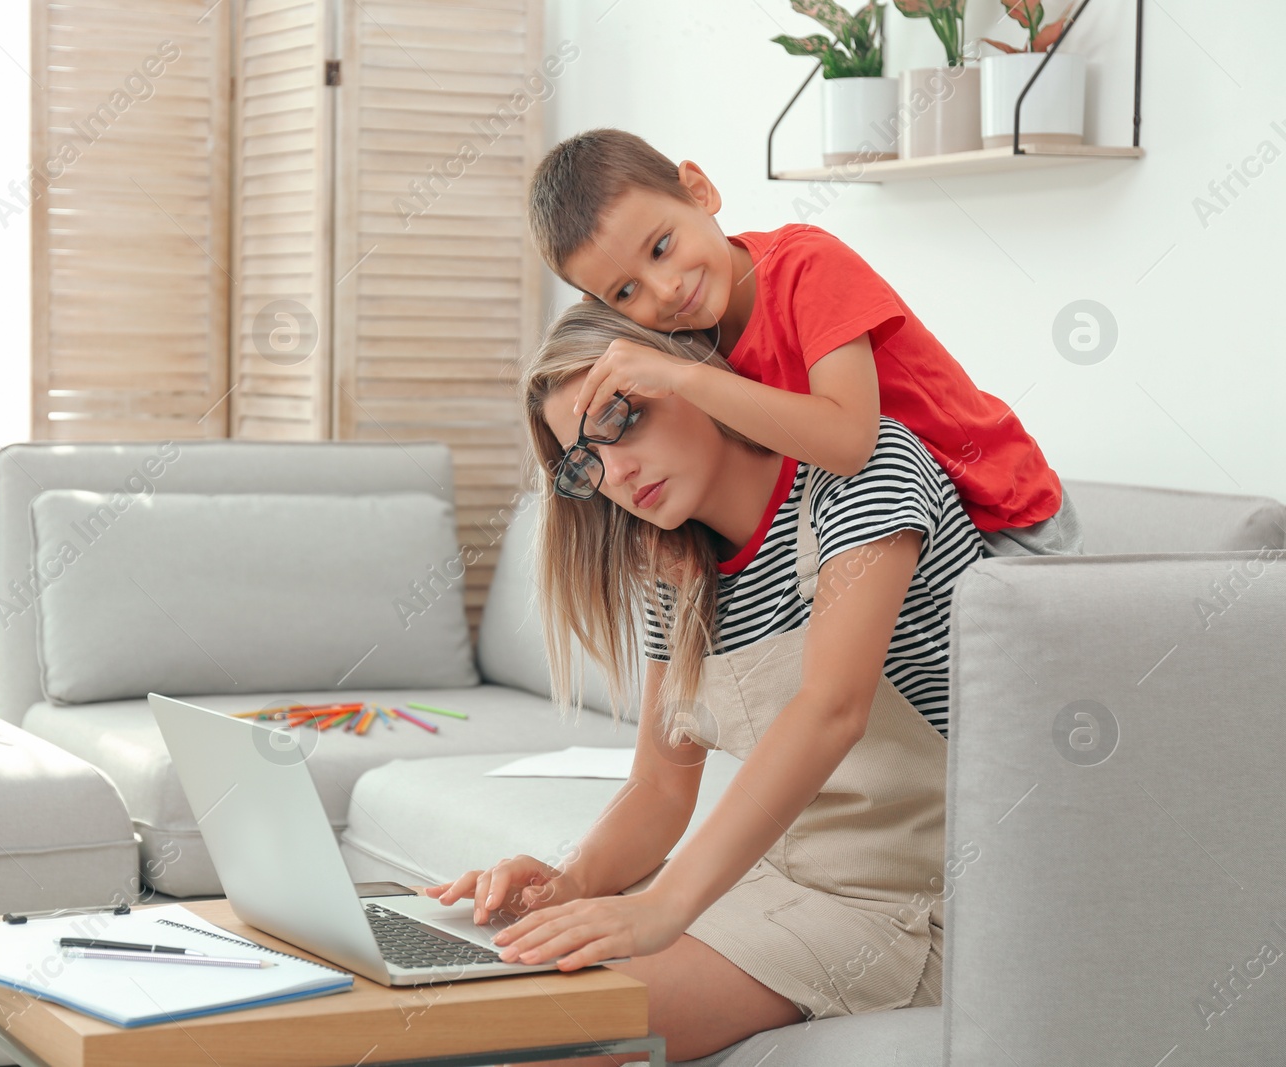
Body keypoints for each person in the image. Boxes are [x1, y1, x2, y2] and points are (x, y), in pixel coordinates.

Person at [421, 301, 988, 1064]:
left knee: (542, 1037)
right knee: (459, 1007)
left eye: (622, 419)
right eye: (586, 461)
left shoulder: (861, 475)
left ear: (692, 375)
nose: (616, 472)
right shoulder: (677, 564)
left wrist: (661, 906)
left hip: (912, 906)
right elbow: (660, 787)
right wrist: (570, 880)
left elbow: (833, 708)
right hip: (776, 880)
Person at [527, 127, 1084, 558]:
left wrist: (684, 378)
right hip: (899, 537)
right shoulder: (681, 334)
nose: (665, 288)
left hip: (1003, 521)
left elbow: (849, 443)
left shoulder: (806, 267)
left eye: (662, 246)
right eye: (625, 291)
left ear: (699, 191)